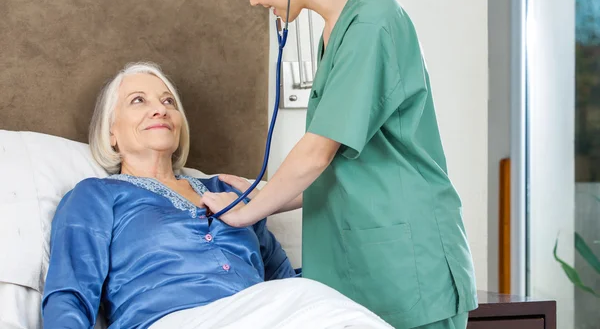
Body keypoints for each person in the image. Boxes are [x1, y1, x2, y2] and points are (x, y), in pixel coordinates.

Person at [206, 0, 478, 329]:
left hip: (404, 262)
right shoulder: (337, 28)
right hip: (360, 261)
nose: (253, 3)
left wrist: (244, 214)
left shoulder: (371, 23)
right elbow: (340, 169)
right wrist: (263, 192)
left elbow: (319, 152)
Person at [42, 62, 391, 329]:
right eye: (138, 101)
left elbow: (281, 278)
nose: (160, 109)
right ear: (111, 132)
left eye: (168, 102)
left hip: (261, 313)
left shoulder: (225, 190)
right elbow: (69, 294)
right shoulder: (95, 196)